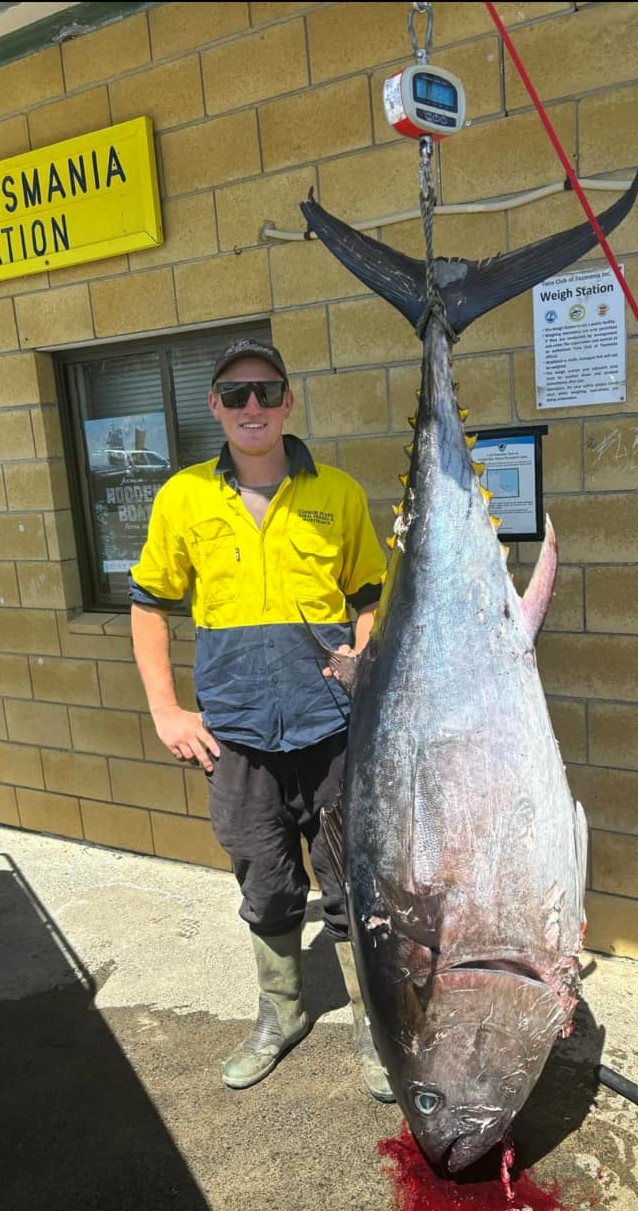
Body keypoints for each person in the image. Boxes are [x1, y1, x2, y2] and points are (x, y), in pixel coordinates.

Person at [128, 336, 393, 1102]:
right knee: (265, 881)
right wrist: (166, 709)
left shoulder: (336, 492)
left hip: (331, 728)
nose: (251, 405)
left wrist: (362, 661)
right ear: (214, 405)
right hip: (235, 735)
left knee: (350, 883)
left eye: (264, 390)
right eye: (234, 393)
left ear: (286, 401)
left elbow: (370, 591)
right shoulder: (182, 496)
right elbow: (148, 606)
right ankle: (281, 1012)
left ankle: (376, 1027)